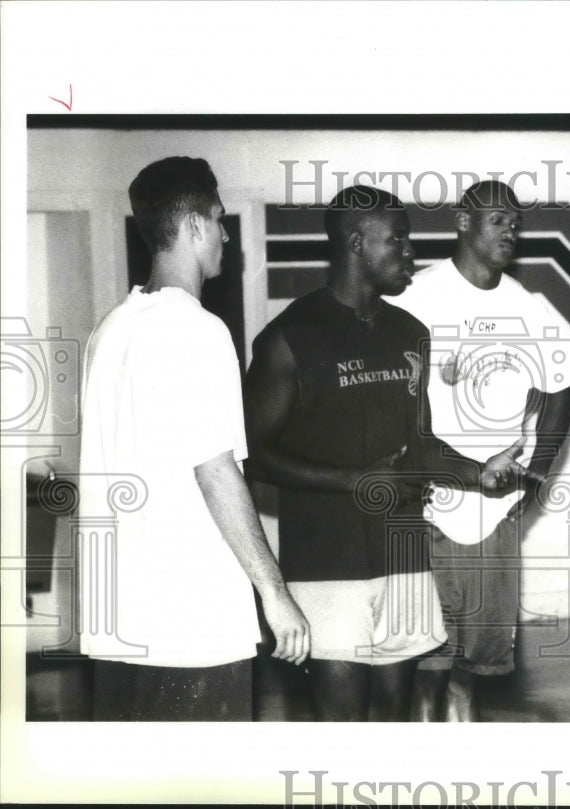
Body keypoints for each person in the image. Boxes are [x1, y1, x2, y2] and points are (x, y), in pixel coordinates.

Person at [243, 186, 522, 721]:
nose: (410, 253)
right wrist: (353, 480)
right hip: (328, 565)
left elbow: (421, 447)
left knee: (395, 717)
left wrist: (478, 473)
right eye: (397, 240)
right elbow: (251, 455)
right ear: (356, 243)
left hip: (404, 557)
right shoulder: (291, 337)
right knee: (343, 723)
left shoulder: (410, 333)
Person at [78, 156, 310, 721]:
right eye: (218, 218)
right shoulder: (199, 332)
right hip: (189, 625)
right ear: (195, 226)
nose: (226, 233)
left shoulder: (107, 332)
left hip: (119, 625)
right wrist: (275, 594)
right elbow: (215, 472)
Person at [395, 181, 570, 722]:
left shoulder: (528, 308)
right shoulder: (414, 295)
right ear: (463, 222)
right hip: (430, 503)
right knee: (429, 659)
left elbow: (560, 396)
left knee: (475, 665)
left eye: (515, 222)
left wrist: (535, 477)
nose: (510, 231)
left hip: (494, 508)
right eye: (498, 219)